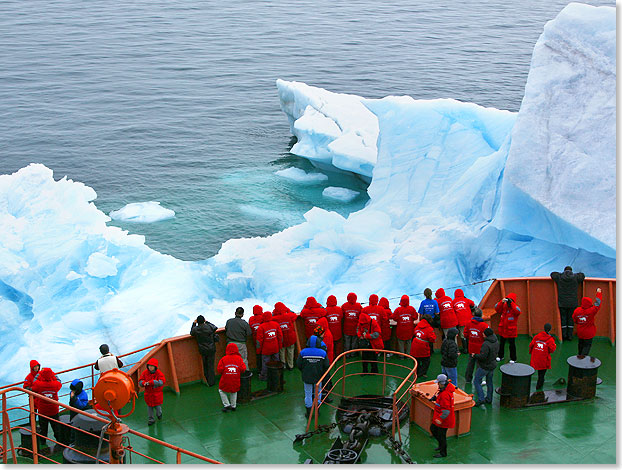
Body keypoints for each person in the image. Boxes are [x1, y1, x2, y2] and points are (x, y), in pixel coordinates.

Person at [297, 335, 330, 418]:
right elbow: (326, 365)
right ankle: (317, 411)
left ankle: (308, 413)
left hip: (307, 376)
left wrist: (304, 371)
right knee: (318, 392)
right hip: (319, 377)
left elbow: (298, 364)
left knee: (308, 394)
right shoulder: (322, 353)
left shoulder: (303, 352)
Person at [31, 368, 62, 453]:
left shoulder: (38, 384)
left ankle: (43, 441)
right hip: (54, 409)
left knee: (43, 427)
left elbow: (34, 384)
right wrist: (53, 375)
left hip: (42, 410)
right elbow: (59, 381)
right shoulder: (55, 384)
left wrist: (39, 374)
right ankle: (59, 441)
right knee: (56, 426)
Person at [551, 266, 585, 341]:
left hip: (562, 302)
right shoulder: (576, 277)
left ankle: (563, 335)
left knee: (563, 318)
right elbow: (582, 275)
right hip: (573, 303)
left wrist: (561, 274)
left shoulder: (559, 277)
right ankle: (569, 336)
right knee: (570, 319)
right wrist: (576, 274)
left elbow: (552, 274)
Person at [429, 374, 456, 459]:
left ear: (441, 383)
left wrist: (440, 419)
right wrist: (435, 398)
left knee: (441, 435)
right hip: (441, 417)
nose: (437, 384)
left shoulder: (445, 394)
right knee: (434, 429)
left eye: (438, 383)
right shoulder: (445, 390)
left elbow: (446, 411)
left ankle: (443, 452)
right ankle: (441, 446)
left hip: (444, 420)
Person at [472, 328, 499, 406]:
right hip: (492, 365)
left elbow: (483, 356)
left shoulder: (486, 344)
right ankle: (489, 398)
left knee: (477, 381)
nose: (482, 335)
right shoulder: (496, 341)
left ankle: (481, 399)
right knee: (489, 382)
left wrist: (475, 355)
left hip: (484, 366)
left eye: (483, 333)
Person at [216, 343, 247, 412]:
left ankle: (227, 405)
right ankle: (233, 406)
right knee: (234, 391)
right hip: (235, 379)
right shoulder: (239, 359)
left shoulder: (223, 359)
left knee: (221, 390)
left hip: (225, 380)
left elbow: (219, 369)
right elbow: (243, 368)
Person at [572, 287, 602, 357]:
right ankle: (583, 359)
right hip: (589, 333)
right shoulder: (591, 311)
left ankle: (579, 357)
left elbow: (574, 319)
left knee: (580, 345)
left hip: (580, 332)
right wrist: (599, 293)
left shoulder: (577, 310)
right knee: (587, 346)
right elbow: (598, 303)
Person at [190, 315, 219, 387]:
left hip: (203, 350)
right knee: (211, 366)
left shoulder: (196, 329)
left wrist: (194, 323)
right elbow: (215, 327)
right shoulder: (209, 327)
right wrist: (207, 322)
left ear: (197, 322)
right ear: (204, 321)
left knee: (205, 366)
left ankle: (207, 380)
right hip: (211, 348)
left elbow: (191, 333)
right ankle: (212, 382)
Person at [255, 310, 283, 381]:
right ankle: (276, 376)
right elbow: (280, 336)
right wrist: (280, 346)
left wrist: (258, 350)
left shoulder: (261, 327)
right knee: (276, 361)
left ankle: (264, 377)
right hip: (275, 347)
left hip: (266, 349)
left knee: (265, 363)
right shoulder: (276, 324)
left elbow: (259, 341)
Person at [529, 323, 557, 390]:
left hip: (535, 357)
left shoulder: (537, 336)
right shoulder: (550, 339)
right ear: (550, 329)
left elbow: (531, 345)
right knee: (541, 374)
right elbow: (552, 349)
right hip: (543, 360)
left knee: (533, 370)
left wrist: (532, 353)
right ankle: (539, 387)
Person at [138, 358, 166, 425]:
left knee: (158, 407)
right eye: (149, 366)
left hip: (157, 395)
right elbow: (140, 381)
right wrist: (143, 383)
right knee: (149, 408)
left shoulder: (159, 373)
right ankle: (151, 419)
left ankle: (159, 414)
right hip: (148, 395)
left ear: (155, 367)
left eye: (152, 366)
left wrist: (153, 382)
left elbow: (162, 382)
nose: (150, 367)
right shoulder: (145, 373)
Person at [463, 308, 488, 383]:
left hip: (471, 348)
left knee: (470, 364)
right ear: (481, 315)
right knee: (479, 365)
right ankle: (478, 380)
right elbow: (487, 336)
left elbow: (465, 334)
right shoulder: (484, 325)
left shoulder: (468, 323)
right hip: (480, 349)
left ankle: (468, 379)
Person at [495, 293, 521, 363]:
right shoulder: (504, 306)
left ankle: (513, 358)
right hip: (503, 329)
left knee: (512, 345)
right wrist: (501, 302)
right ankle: (500, 356)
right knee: (501, 344)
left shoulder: (514, 307)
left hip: (511, 330)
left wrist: (511, 303)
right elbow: (497, 309)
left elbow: (518, 311)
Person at [272, 302, 298, 370]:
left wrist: (274, 312)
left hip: (281, 339)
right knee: (290, 351)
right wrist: (287, 310)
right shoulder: (289, 316)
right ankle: (291, 366)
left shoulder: (274, 318)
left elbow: (271, 317)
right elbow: (294, 315)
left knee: (282, 352)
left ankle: (283, 366)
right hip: (290, 338)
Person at [419, 288, 440, 354]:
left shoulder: (423, 302)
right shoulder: (434, 302)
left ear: (425, 295)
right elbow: (437, 313)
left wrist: (420, 321)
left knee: (425, 335)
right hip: (432, 321)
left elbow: (421, 313)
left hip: (425, 321)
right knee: (431, 335)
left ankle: (425, 350)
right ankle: (431, 350)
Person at [342, 293, 362, 357]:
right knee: (354, 342)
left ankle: (347, 355)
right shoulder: (359, 306)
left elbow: (342, 317)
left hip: (346, 328)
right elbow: (361, 317)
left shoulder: (344, 306)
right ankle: (353, 354)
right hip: (355, 328)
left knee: (346, 342)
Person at [249, 305, 264, 372]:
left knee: (258, 355)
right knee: (266, 356)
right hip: (264, 340)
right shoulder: (263, 317)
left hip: (255, 340)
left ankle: (259, 370)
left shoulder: (251, 319)